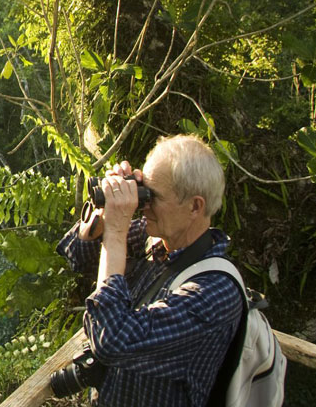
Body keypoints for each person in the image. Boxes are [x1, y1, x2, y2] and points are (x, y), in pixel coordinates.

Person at [56, 134, 244, 407]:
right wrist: (106, 211)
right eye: (143, 190)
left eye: (152, 195)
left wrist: (117, 232)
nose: (143, 205)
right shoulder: (157, 238)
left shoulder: (214, 293)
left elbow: (111, 339)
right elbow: (78, 255)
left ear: (195, 206)